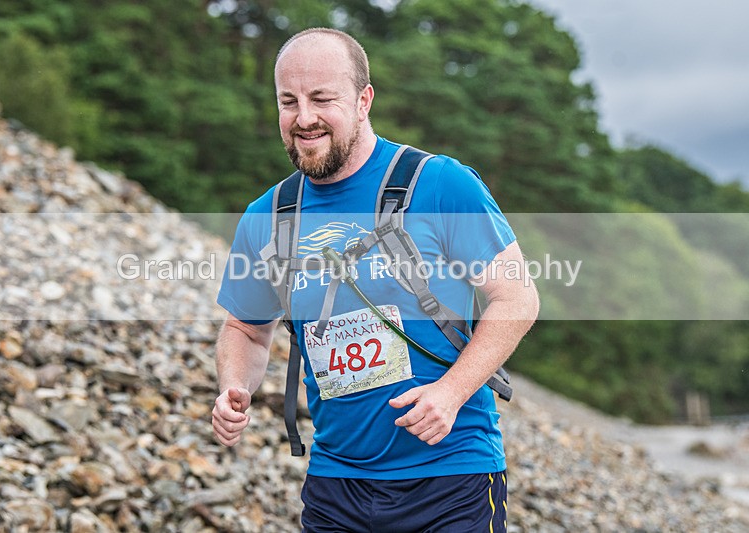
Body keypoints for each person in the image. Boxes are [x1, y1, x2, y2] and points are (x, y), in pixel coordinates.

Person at [212, 27, 540, 532]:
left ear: (364, 99)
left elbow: (517, 298)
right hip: (335, 485)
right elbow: (246, 329)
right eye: (288, 101)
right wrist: (235, 386)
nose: (304, 118)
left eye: (322, 99)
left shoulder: (440, 184)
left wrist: (451, 392)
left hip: (451, 477)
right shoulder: (268, 216)